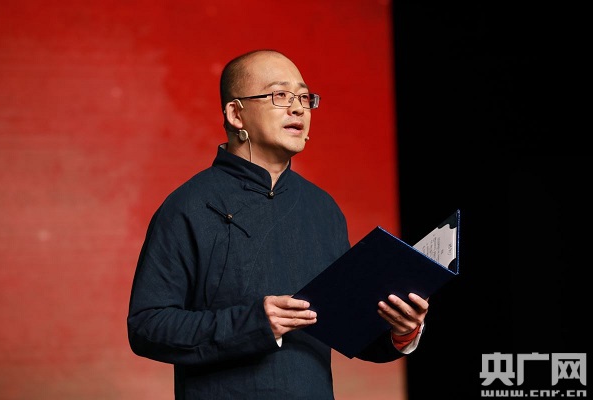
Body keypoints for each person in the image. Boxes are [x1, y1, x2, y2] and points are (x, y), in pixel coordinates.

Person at [127, 49, 429, 400]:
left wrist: (401, 330)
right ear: (236, 114)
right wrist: (253, 323)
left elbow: (349, 329)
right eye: (280, 95)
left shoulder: (324, 209)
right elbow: (147, 326)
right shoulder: (188, 206)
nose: (298, 108)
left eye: (304, 97)